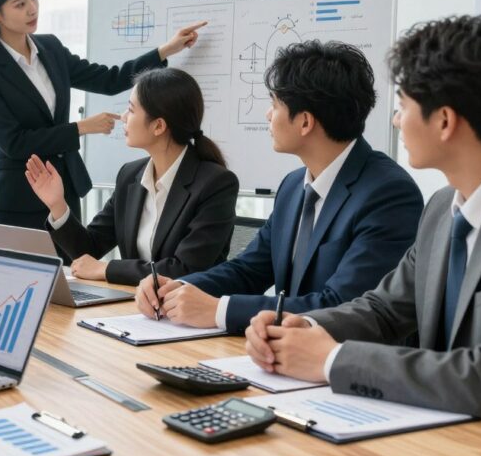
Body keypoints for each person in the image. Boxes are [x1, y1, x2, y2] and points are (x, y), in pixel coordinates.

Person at [244, 15, 481, 422]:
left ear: (445, 121)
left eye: (402, 107)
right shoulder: (441, 207)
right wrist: (301, 327)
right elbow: (384, 309)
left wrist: (332, 360)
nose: (396, 121)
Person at [136, 40, 423, 335]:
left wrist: (219, 310)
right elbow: (249, 269)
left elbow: (342, 305)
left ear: (305, 122)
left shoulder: (388, 194)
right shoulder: (293, 186)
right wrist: (178, 287)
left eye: (274, 105)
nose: (268, 115)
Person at [0, 0, 206, 230]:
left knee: (71, 269)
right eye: (20, 4)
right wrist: (81, 128)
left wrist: (164, 51)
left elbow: (109, 79)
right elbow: (15, 143)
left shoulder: (50, 48)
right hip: (18, 201)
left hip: (63, 193)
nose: (32, 8)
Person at [24, 67, 238, 285]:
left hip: (187, 311)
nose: (123, 117)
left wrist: (107, 269)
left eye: (131, 110)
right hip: (134, 306)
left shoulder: (216, 184)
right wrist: (57, 205)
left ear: (158, 126)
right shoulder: (130, 175)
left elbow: (184, 269)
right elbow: (89, 249)